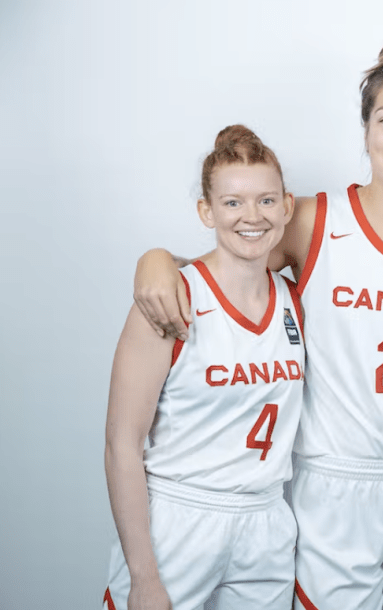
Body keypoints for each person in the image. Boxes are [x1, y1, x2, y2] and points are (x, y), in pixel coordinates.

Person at [132, 34, 383, 610]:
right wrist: (158, 260)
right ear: (365, 132)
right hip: (331, 481)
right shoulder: (313, 220)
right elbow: (229, 262)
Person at [103, 125, 303, 610]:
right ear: (206, 211)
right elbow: (121, 446)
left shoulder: (295, 300)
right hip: (180, 518)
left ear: (287, 207)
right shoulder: (170, 301)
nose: (251, 216)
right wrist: (143, 575)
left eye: (266, 201)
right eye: (232, 203)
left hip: (267, 521)